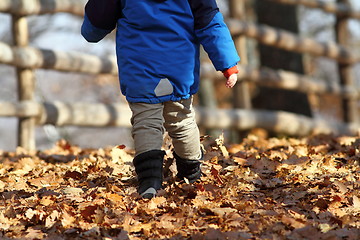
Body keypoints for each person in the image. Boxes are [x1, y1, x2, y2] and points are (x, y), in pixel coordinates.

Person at [81, 0, 240, 199]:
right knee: (181, 119)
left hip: (140, 65)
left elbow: (96, 24)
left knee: (146, 121)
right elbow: (210, 22)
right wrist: (228, 64)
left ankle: (149, 182)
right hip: (179, 66)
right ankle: (191, 175)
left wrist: (90, 28)